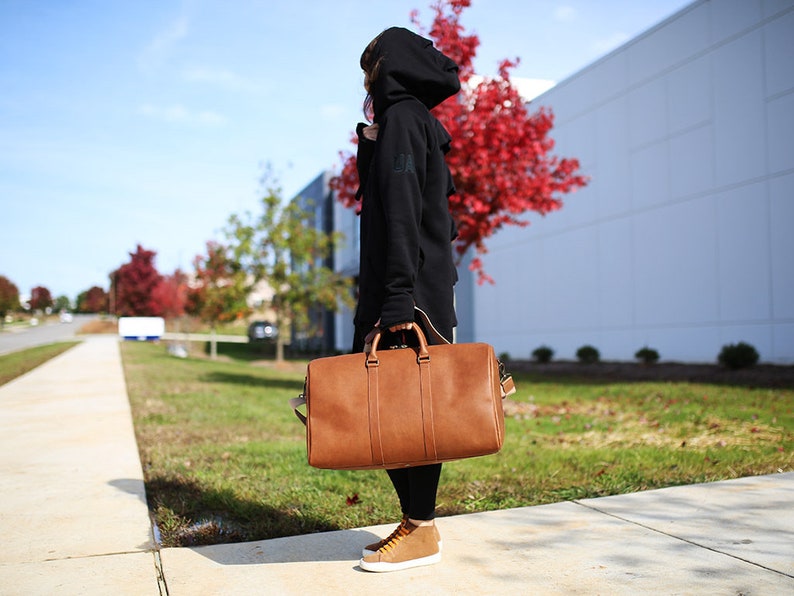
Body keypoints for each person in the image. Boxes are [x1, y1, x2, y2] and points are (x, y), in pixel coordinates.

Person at [350, 27, 461, 573]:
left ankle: (421, 527)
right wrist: (369, 149)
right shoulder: (417, 123)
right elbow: (439, 215)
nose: (365, 82)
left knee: (404, 411)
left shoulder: (401, 120)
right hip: (419, 288)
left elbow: (399, 211)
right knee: (402, 410)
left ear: (385, 69)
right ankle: (418, 521)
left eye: (369, 70)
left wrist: (395, 300)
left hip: (403, 294)